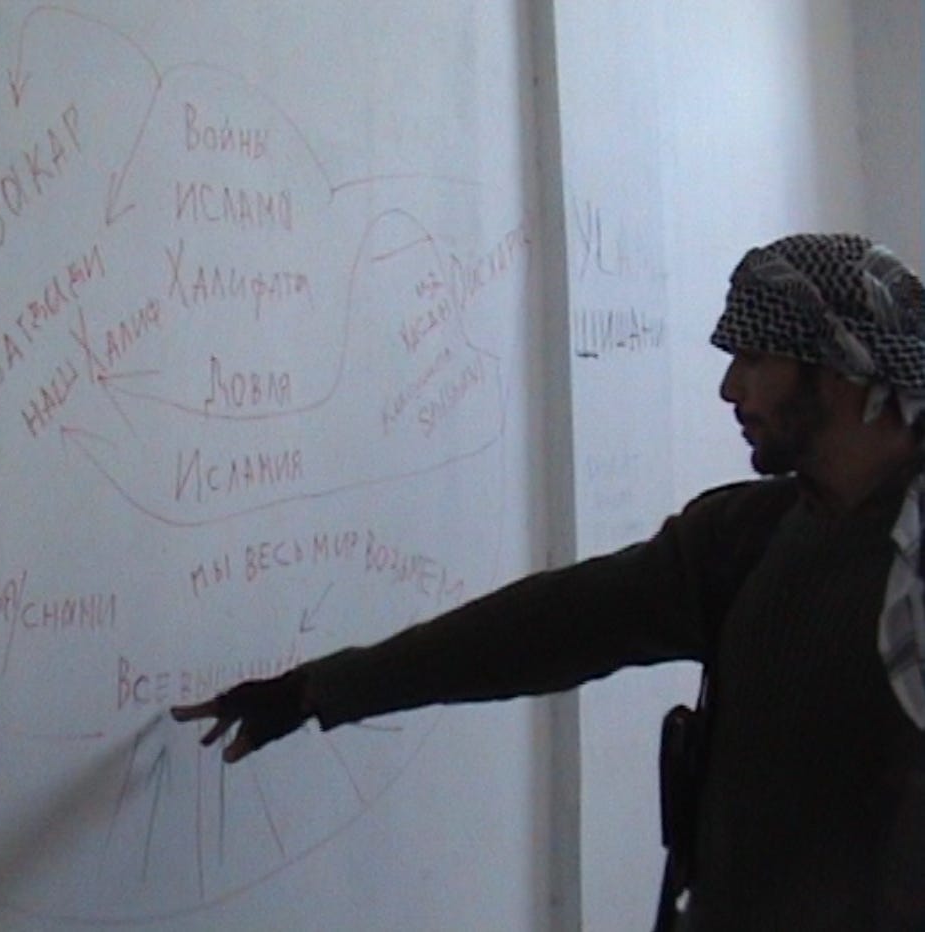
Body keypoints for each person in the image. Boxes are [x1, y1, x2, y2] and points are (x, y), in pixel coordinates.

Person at [171, 233, 925, 930]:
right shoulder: (745, 538)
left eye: (756, 358)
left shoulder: (909, 562)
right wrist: (321, 689)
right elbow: (546, 627)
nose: (731, 388)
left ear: (841, 367)